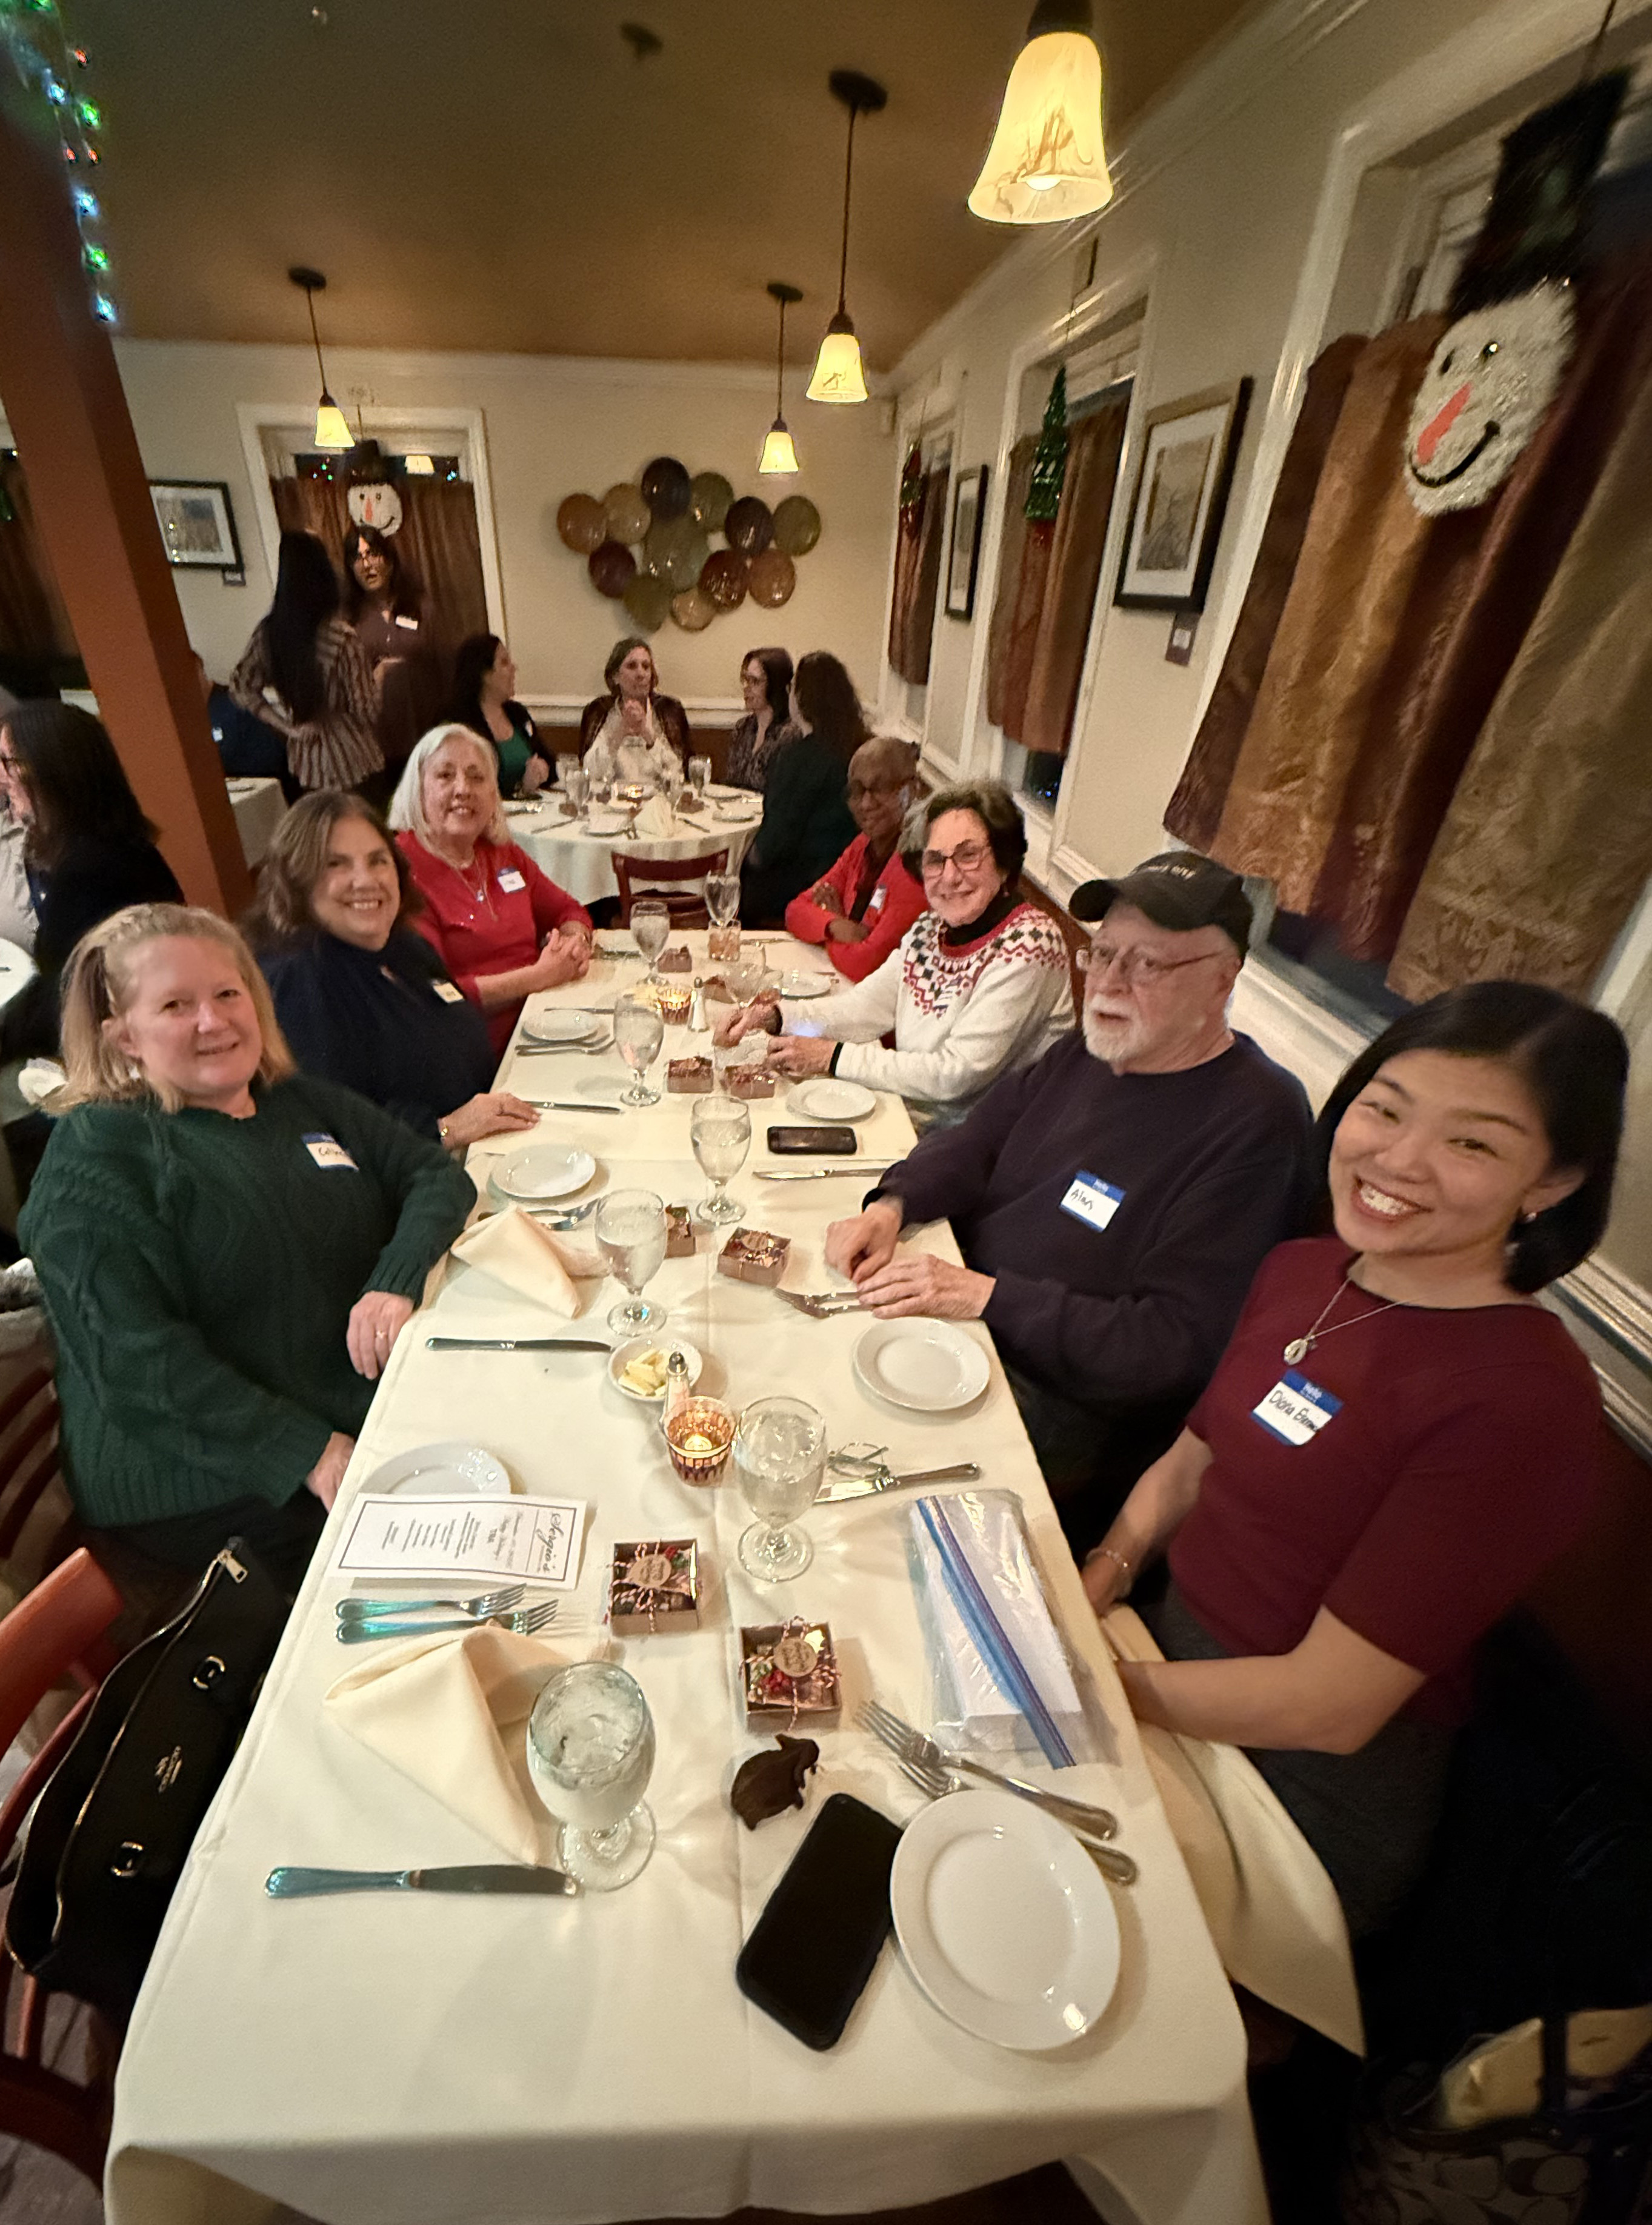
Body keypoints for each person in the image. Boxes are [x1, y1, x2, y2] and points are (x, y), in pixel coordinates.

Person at [1079, 980, 1626, 1937]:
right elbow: (1190, 1459)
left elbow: (1329, 1708)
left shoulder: (1521, 1400)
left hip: (1299, 1787)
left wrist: (1084, 1690)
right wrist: (1099, 1578)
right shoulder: (1305, 1270)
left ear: (1552, 1183)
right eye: (1384, 1107)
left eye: (1472, 1143)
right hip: (1159, 1656)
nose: (1398, 1160)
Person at [825, 851, 1314, 1547]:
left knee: (847, 1515)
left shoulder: (1257, 1121)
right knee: (804, 1365)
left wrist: (985, 1297)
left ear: (1220, 981)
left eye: (1146, 965)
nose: (1108, 982)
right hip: (963, 1321)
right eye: (1104, 953)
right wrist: (892, 1205)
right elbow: (976, 1139)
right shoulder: (1091, 1050)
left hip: (1060, 1403)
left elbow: (1172, 1348)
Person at [17, 903, 474, 1597]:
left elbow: (433, 1172)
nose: (214, 1020)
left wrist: (395, 1277)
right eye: (176, 1004)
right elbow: (141, 1368)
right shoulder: (99, 1158)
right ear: (123, 1036)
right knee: (443, 1576)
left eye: (228, 993)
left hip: (340, 1401)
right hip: (203, 1474)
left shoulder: (288, 1098)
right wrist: (310, 1453)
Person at [727, 781, 1070, 1125]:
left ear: (1005, 860)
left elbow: (955, 1074)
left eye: (968, 855)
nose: (950, 876)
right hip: (913, 1122)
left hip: (980, 1149)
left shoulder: (1031, 943)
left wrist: (831, 1057)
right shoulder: (930, 929)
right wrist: (777, 1017)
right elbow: (865, 1008)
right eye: (935, 860)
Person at [248, 791, 539, 1149]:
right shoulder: (298, 979)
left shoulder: (402, 946)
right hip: (416, 1180)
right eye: (335, 864)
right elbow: (330, 1131)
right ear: (296, 879)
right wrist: (446, 1129)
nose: (366, 879)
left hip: (484, 1142)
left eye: (377, 861)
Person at [390, 724, 593, 1056]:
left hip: (541, 1025)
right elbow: (437, 994)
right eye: (445, 776)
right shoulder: (402, 870)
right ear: (418, 790)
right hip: (469, 1055)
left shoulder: (500, 853)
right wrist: (538, 977)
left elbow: (569, 910)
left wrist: (573, 943)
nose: (463, 789)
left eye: (476, 777)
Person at [0, 702, 182, 1065]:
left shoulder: (96, 869)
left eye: (9, 762)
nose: (1, 777)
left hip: (124, 1061)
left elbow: (69, 999)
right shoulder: (105, 848)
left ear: (55, 770)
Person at [230, 531, 381, 793]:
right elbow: (365, 710)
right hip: (351, 758)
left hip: (306, 758)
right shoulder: (342, 638)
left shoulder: (270, 633)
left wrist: (287, 727)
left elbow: (241, 686)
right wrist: (381, 676)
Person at [784, 734, 927, 983]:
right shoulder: (862, 846)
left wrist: (825, 931)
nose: (866, 804)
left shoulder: (914, 866)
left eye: (880, 788)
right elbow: (795, 910)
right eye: (858, 791)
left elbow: (866, 965)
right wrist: (836, 925)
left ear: (912, 790)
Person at [739, 651, 864, 925]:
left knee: (739, 881)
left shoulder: (799, 758)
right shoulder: (858, 747)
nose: (788, 693)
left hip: (802, 883)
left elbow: (774, 841)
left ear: (805, 699)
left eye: (793, 687)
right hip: (851, 878)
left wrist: (740, 862)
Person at [342, 522, 447, 776]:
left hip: (425, 729)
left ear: (389, 560)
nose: (368, 565)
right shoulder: (347, 618)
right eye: (358, 558)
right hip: (375, 740)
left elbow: (441, 665)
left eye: (373, 554)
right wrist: (375, 676)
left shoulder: (420, 607)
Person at [446, 633, 551, 800]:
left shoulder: (517, 713)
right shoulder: (460, 723)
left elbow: (547, 759)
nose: (513, 668)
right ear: (484, 674)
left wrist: (543, 771)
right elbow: (467, 788)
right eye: (504, 663)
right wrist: (521, 788)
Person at [578, 638, 688, 789]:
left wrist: (649, 736)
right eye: (632, 666)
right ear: (615, 677)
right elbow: (589, 773)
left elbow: (680, 773)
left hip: (658, 802)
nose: (641, 674)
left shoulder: (670, 711)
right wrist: (619, 733)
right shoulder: (598, 712)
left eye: (646, 667)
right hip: (612, 802)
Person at [196, 651, 298, 801]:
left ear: (199, 670)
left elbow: (271, 758)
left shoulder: (235, 703)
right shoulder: (189, 717)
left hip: (264, 790)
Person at [726, 645, 797, 793]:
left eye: (755, 682)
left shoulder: (789, 734)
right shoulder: (743, 728)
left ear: (775, 685)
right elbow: (730, 783)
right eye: (745, 679)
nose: (746, 687)